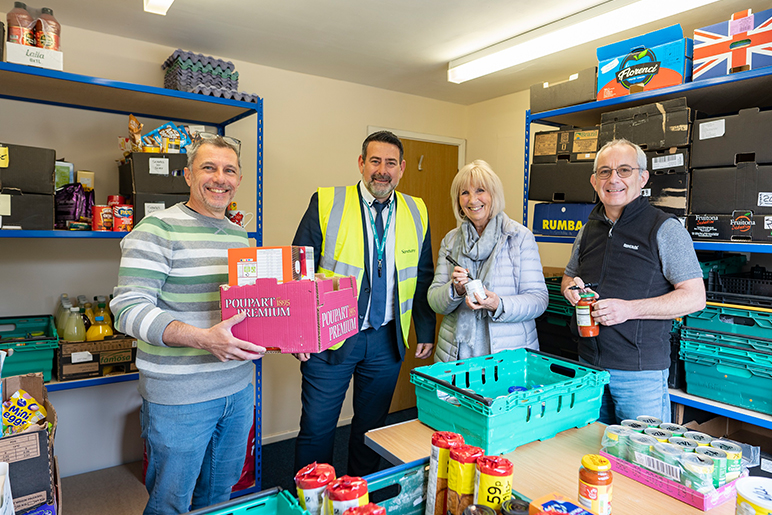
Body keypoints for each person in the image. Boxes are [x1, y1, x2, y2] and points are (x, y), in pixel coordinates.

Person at [111, 133, 266, 515]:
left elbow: (249, 310)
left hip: (237, 389)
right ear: (187, 175)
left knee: (219, 496)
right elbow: (127, 308)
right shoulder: (156, 228)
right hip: (179, 398)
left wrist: (291, 337)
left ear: (239, 180)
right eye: (208, 168)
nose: (220, 178)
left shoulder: (238, 234)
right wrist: (203, 339)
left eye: (229, 170)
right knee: (170, 502)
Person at [292, 130, 436, 476]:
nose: (382, 170)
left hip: (386, 340)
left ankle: (357, 497)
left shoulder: (416, 209)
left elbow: (423, 272)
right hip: (330, 338)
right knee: (317, 429)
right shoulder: (327, 201)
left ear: (401, 168)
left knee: (371, 431)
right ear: (361, 164)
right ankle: (311, 501)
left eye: (390, 163)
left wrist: (426, 329)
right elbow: (298, 271)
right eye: (375, 161)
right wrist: (299, 334)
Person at [561, 139, 705, 425]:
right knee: (590, 455)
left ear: (642, 178)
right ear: (594, 181)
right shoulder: (589, 230)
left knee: (640, 460)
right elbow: (568, 277)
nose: (613, 179)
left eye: (624, 170)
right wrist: (571, 290)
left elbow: (694, 297)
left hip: (640, 376)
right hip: (588, 368)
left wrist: (629, 309)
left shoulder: (664, 228)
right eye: (604, 172)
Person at [428, 159, 548, 362]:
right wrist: (454, 290)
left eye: (480, 190)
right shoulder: (451, 240)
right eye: (464, 193)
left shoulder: (519, 237)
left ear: (494, 194)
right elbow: (434, 300)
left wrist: (499, 304)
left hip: (508, 357)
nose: (472, 200)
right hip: (457, 357)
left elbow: (538, 300)